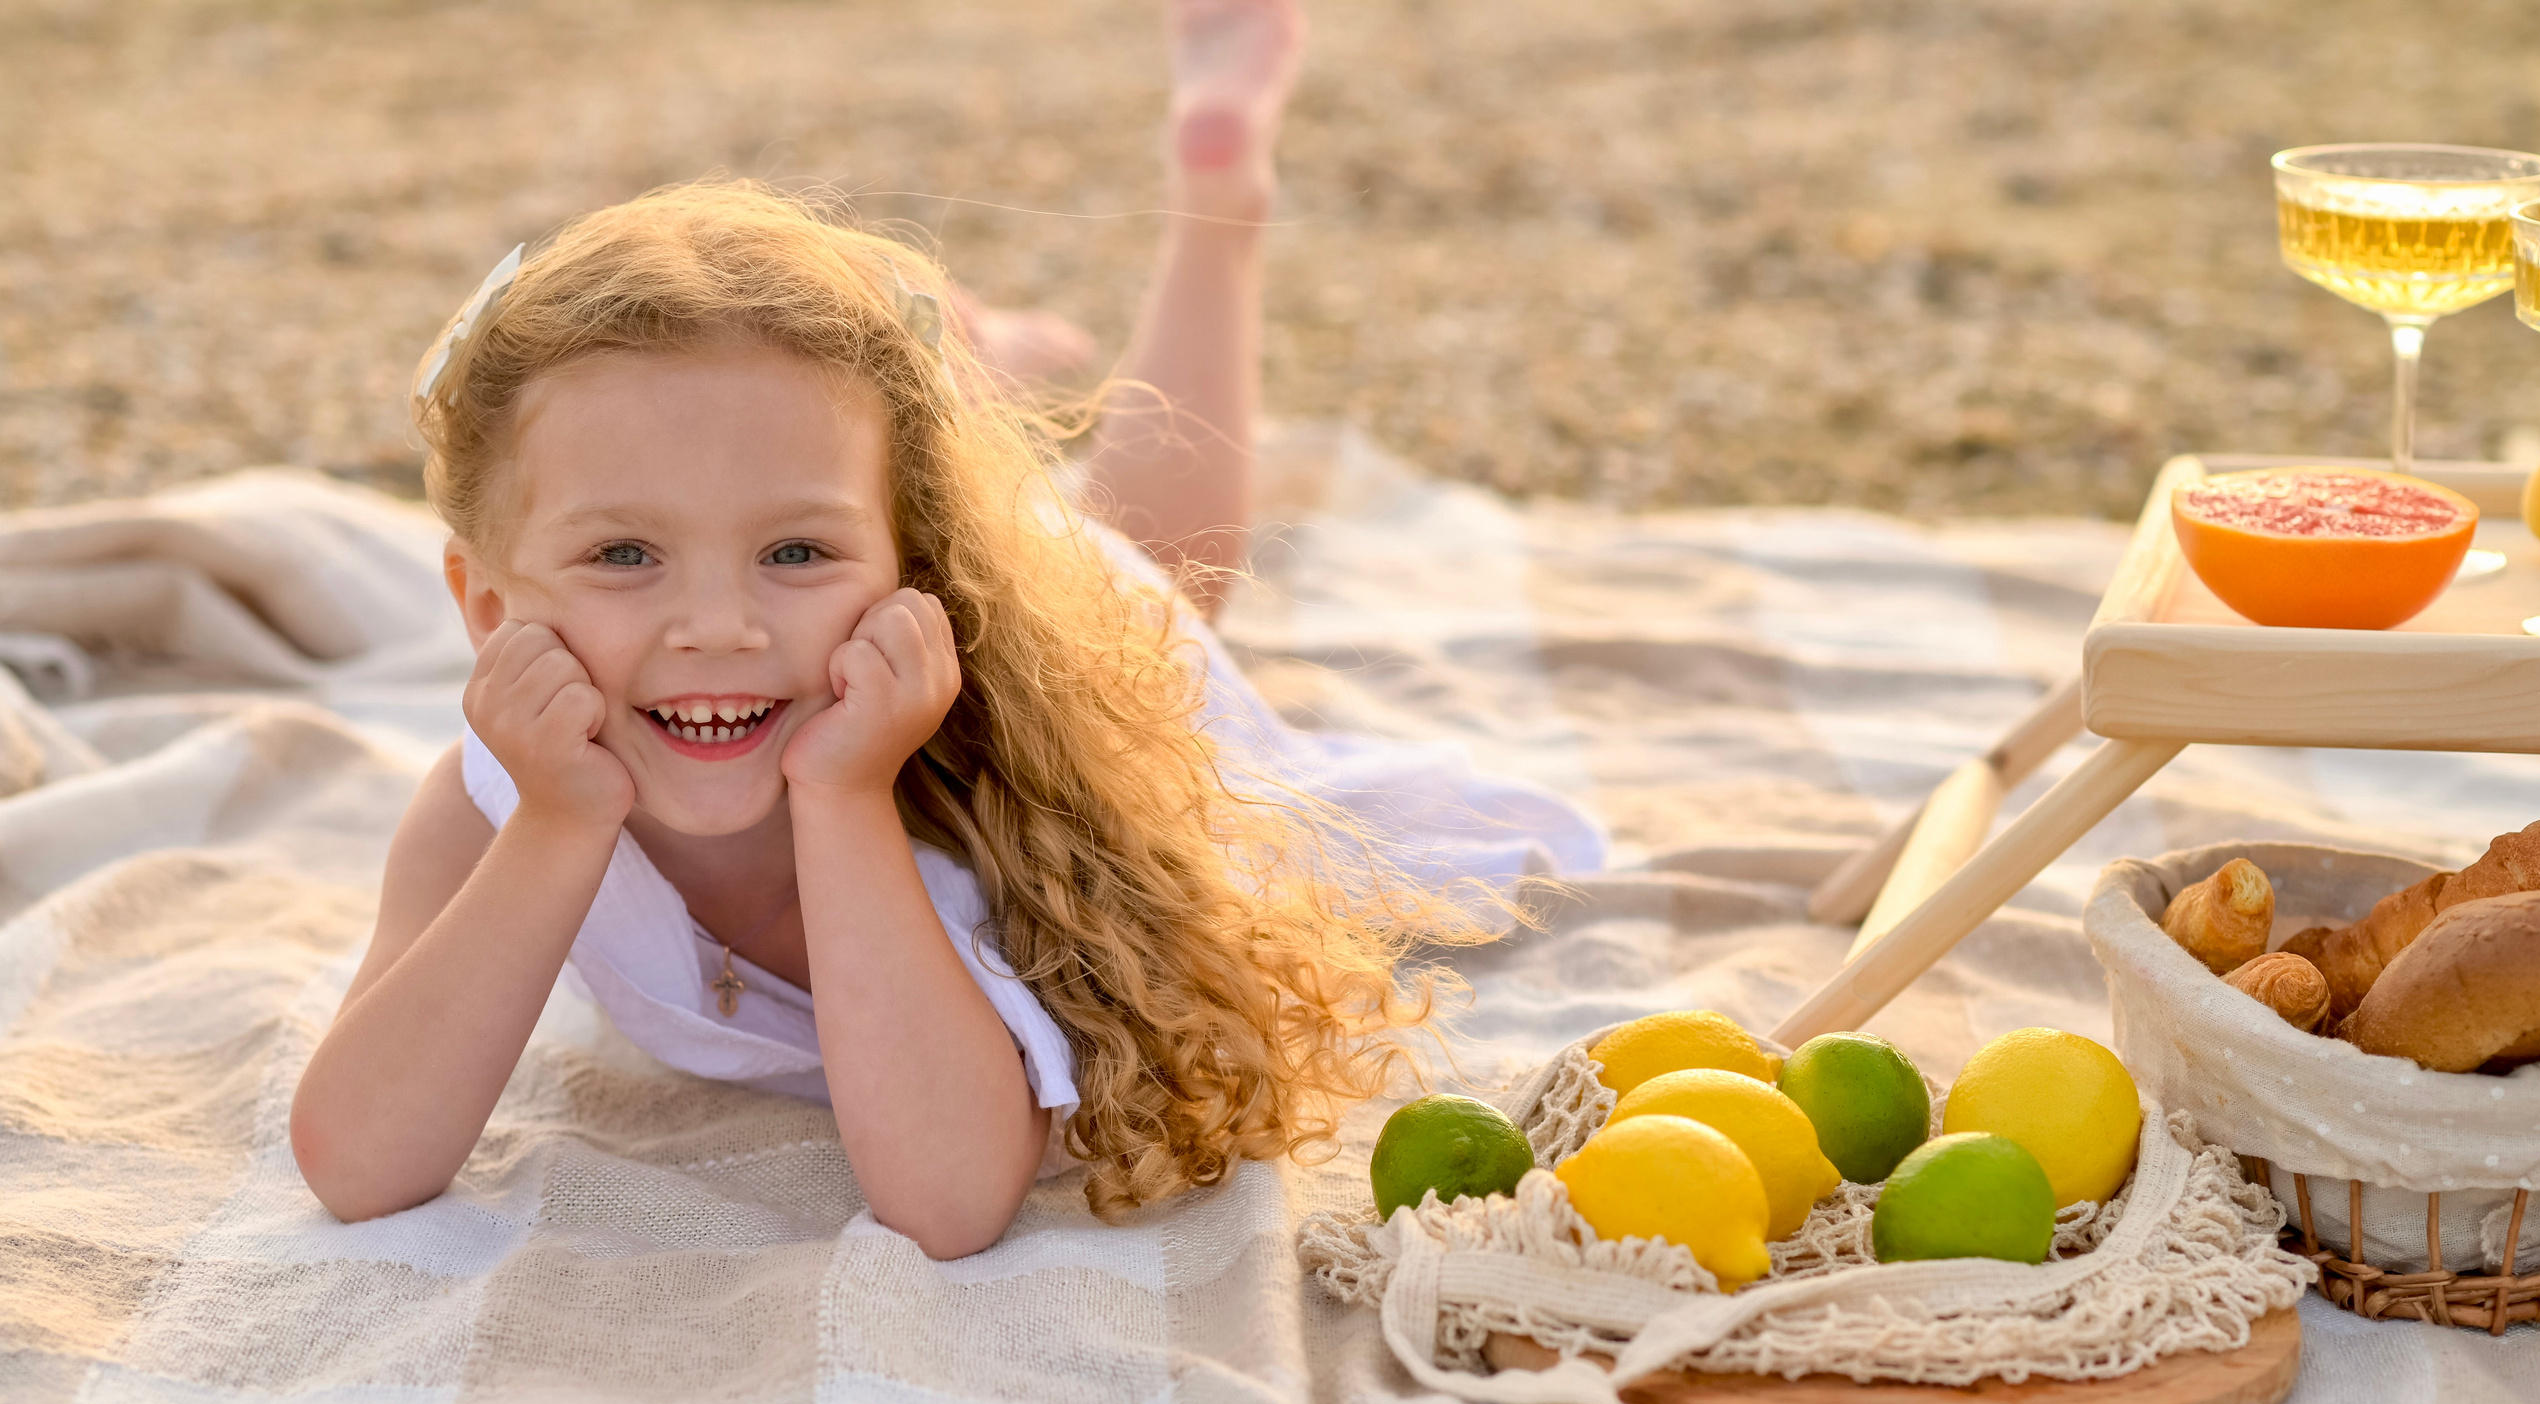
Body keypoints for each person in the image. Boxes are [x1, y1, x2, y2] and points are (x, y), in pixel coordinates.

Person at [290, 0, 1602, 1258]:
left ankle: (1217, 209)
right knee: (900, 466)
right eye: (623, 555)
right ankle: (962, 370)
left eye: (795, 552)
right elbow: (357, 1164)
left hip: (1069, 645)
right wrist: (557, 824)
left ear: (913, 574)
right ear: (486, 606)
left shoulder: (977, 790)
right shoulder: (489, 809)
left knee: (1155, 573)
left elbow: (947, 1202)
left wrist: (846, 798)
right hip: (830, 574)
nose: (718, 629)